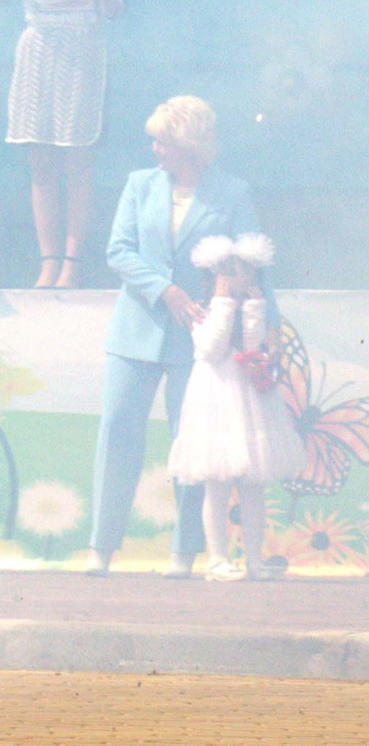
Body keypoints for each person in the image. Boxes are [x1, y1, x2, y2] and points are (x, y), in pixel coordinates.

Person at [85, 95, 263, 576]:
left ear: (187, 144)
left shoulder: (233, 192)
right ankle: (101, 548)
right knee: (118, 429)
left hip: (202, 339)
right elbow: (118, 251)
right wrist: (165, 290)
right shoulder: (139, 185)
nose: (154, 148)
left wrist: (248, 320)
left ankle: (183, 553)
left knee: (193, 443)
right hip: (135, 330)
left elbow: (251, 260)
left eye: (161, 140)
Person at [5, 0, 127, 288]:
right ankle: (47, 261)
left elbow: (119, 9)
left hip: (81, 49)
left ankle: (72, 264)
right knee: (40, 159)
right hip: (39, 47)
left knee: (77, 157)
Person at [169, 234, 301, 582]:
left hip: (249, 398)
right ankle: (217, 560)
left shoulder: (254, 306)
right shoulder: (201, 309)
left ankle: (255, 561)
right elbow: (212, 347)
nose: (240, 280)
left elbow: (252, 344)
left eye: (246, 274)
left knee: (253, 485)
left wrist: (254, 306)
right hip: (215, 396)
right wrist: (224, 301)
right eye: (231, 273)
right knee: (217, 483)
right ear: (215, 276)